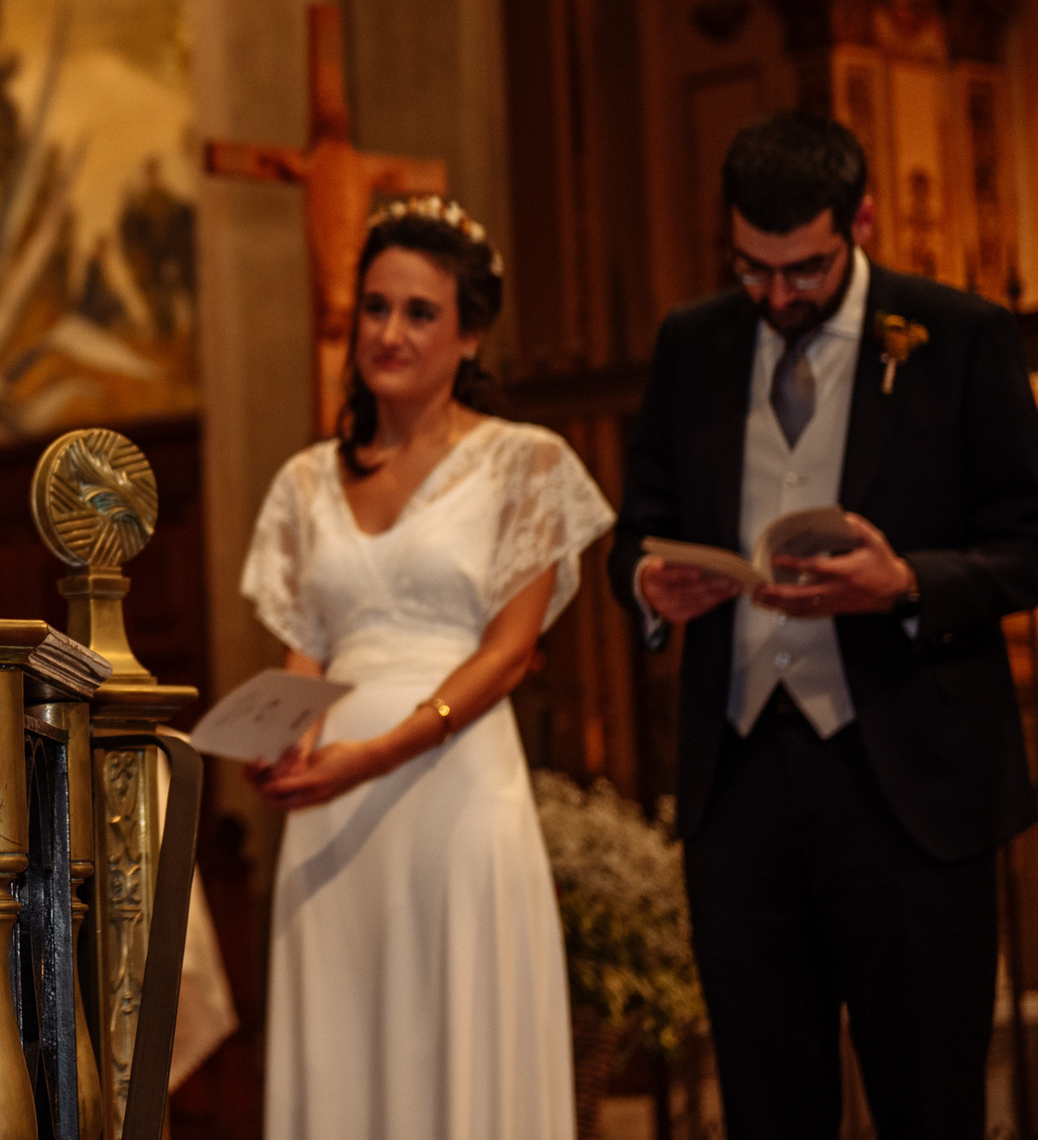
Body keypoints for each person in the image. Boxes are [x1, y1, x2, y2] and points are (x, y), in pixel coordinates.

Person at [611, 110, 1038, 1139]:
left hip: (910, 775)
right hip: (741, 777)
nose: (774, 295)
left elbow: (1027, 540)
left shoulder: (958, 335)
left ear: (862, 220)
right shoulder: (693, 339)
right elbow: (640, 527)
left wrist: (905, 583)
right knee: (764, 1101)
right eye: (752, 269)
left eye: (801, 269)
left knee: (927, 1099)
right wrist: (648, 586)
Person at [239, 197, 611, 1140]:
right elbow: (307, 646)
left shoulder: (526, 463)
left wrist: (382, 751)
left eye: (419, 312)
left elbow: (511, 650)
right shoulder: (304, 480)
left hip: (454, 789)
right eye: (374, 307)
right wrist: (287, 741)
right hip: (328, 811)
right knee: (344, 1044)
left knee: (458, 1033)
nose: (389, 332)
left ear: (471, 333)